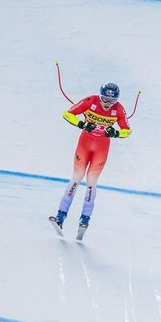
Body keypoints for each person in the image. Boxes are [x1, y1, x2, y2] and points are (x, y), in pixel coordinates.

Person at [50, 82, 131, 234]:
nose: (108, 104)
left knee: (91, 183)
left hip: (101, 149)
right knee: (76, 179)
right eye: (105, 99)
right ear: (99, 97)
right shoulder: (90, 101)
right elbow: (67, 114)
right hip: (84, 146)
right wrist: (81, 124)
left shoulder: (119, 109)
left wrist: (116, 133)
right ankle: (60, 216)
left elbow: (127, 130)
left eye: (112, 101)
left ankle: (85, 219)